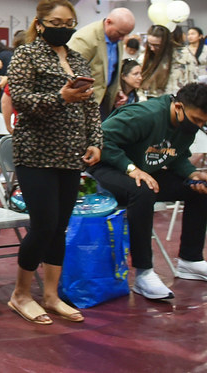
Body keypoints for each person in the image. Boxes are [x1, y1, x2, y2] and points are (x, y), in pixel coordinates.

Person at [5, 0, 102, 324]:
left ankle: (50, 295)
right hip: (36, 153)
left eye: (69, 24)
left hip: (71, 154)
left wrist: (95, 142)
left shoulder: (77, 59)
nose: (63, 29)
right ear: (40, 24)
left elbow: (90, 106)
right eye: (56, 24)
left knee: (59, 227)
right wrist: (60, 97)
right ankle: (20, 294)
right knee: (43, 224)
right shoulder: (26, 55)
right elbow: (21, 100)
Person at [88, 82, 207, 300]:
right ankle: (144, 273)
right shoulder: (144, 115)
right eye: (196, 120)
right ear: (178, 107)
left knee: (199, 189)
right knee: (143, 191)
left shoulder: (185, 125)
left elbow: (175, 155)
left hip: (141, 171)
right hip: (106, 167)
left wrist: (192, 174)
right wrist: (131, 169)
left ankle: (190, 260)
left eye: (203, 123)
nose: (198, 125)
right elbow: (100, 139)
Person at [70, 7, 136, 119]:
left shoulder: (116, 39)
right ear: (108, 22)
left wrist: (117, 91)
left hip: (104, 102)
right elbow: (71, 72)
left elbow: (112, 70)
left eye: (125, 34)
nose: (122, 38)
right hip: (83, 104)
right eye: (120, 33)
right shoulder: (85, 38)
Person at [142, 24, 199, 99]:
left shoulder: (184, 56)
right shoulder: (145, 57)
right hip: (152, 102)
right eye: (150, 44)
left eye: (157, 45)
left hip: (178, 102)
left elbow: (193, 84)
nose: (152, 48)